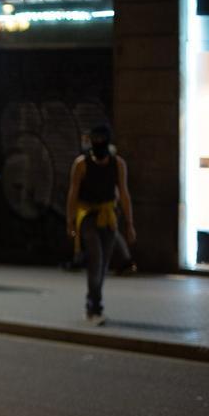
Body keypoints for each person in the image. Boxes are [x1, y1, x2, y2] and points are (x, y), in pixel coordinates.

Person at [65, 125, 135, 326]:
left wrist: (129, 224)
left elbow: (124, 194)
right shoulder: (81, 164)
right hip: (87, 216)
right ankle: (94, 307)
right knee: (95, 259)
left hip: (108, 216)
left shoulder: (118, 164)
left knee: (103, 266)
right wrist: (70, 222)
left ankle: (93, 303)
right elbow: (73, 194)